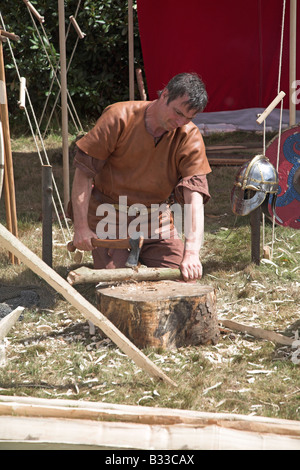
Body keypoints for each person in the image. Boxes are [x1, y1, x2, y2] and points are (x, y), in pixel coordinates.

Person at [71, 72, 211, 281]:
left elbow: (195, 197)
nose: (180, 122)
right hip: (109, 217)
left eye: (188, 118)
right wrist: (81, 228)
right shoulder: (119, 117)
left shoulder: (188, 135)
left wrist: (191, 252)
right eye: (177, 112)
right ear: (164, 95)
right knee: (117, 285)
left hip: (156, 220)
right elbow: (83, 174)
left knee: (182, 279)